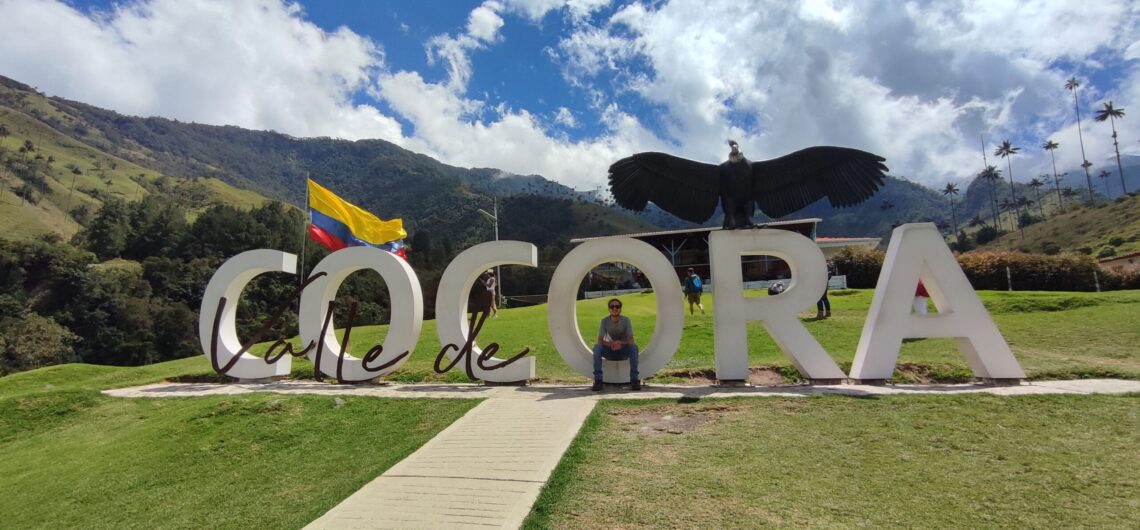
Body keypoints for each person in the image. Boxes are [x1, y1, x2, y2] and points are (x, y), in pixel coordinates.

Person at [592, 298, 640, 391]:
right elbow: (600, 339)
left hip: (623, 351)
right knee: (597, 347)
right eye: (612, 306)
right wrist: (611, 344)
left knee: (633, 347)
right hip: (610, 351)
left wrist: (620, 343)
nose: (615, 308)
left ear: (620, 308)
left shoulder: (626, 320)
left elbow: (631, 340)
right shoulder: (604, 321)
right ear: (608, 309)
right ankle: (598, 381)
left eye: (617, 306)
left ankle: (634, 380)